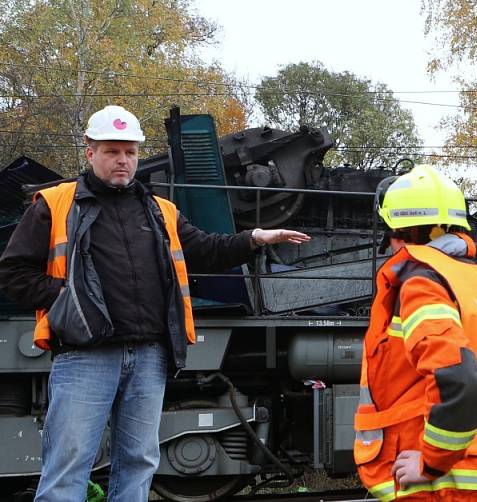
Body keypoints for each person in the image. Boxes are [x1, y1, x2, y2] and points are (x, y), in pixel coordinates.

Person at [0, 105, 310, 502]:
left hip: (148, 355)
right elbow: (13, 273)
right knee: (68, 463)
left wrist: (254, 239)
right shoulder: (54, 203)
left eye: (129, 152)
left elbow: (205, 249)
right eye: (112, 151)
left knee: (139, 461)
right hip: (85, 355)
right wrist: (67, 300)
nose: (123, 160)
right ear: (90, 152)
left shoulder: (159, 209)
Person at [354, 165, 477, 501]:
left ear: (400, 232)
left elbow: (462, 381)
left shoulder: (422, 283)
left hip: (434, 474)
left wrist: (431, 462)